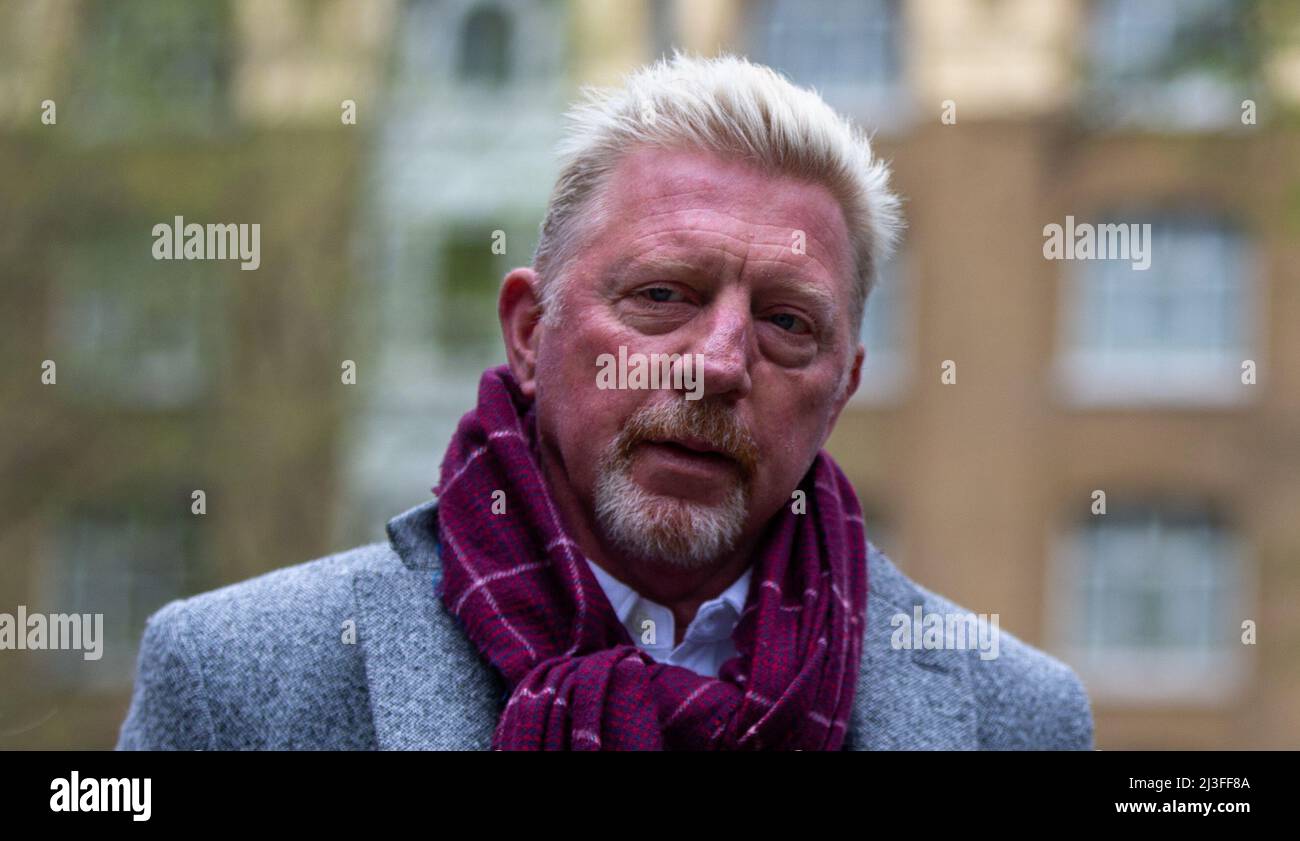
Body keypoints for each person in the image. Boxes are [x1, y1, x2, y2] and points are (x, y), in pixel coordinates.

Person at [118, 53, 1093, 751]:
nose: (716, 365)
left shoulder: (1014, 717)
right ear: (529, 333)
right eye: (661, 296)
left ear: (841, 390)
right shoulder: (236, 680)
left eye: (788, 324)